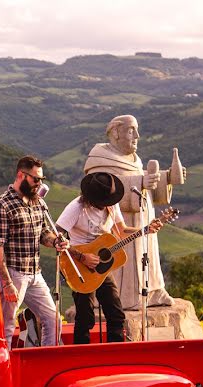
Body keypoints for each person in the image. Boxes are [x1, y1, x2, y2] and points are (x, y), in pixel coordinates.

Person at [83, 115, 186, 309]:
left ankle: (153, 291)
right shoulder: (99, 158)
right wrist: (138, 183)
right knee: (127, 261)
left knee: (147, 255)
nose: (137, 135)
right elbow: (98, 192)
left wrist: (166, 178)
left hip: (142, 218)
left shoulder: (133, 159)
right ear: (115, 133)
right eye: (131, 130)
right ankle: (125, 297)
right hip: (118, 226)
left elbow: (140, 179)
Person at [56, 172, 164, 344]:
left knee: (116, 314)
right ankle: (81, 357)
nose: (106, 204)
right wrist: (82, 256)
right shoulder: (76, 208)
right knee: (85, 318)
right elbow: (57, 236)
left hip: (101, 269)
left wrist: (145, 229)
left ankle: (117, 353)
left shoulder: (111, 205)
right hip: (78, 266)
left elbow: (121, 231)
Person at [0, 155, 69, 348]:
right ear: (20, 175)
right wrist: (7, 283)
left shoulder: (38, 202)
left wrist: (55, 242)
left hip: (35, 274)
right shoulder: (2, 206)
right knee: (6, 326)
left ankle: (47, 362)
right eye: (35, 179)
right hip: (13, 275)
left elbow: (43, 233)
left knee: (53, 320)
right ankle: (3, 368)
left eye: (41, 179)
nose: (39, 183)